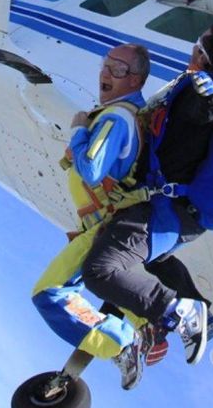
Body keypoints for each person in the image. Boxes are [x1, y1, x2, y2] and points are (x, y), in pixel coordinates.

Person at [82, 14, 213, 376]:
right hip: (181, 212)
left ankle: (176, 311)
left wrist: (210, 86)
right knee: (148, 262)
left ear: (202, 55)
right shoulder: (204, 86)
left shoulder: (202, 93)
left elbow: (204, 108)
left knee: (100, 269)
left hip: (164, 208)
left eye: (197, 43)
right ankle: (194, 317)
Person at [30, 43, 155, 389]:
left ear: (136, 80)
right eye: (106, 64)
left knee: (48, 292)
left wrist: (81, 129)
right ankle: (148, 323)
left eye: (118, 70)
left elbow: (91, 170)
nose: (105, 73)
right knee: (109, 280)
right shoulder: (125, 115)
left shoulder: (115, 118)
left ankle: (122, 342)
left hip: (104, 225)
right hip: (107, 223)